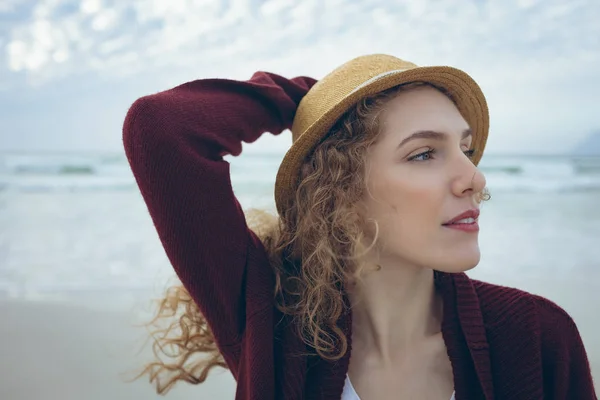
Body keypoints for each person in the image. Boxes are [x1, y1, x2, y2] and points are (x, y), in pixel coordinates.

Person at [122, 54, 597, 400]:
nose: (474, 178)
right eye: (424, 153)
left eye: (466, 150)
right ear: (338, 191)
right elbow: (159, 128)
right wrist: (316, 98)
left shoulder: (536, 336)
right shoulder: (271, 324)